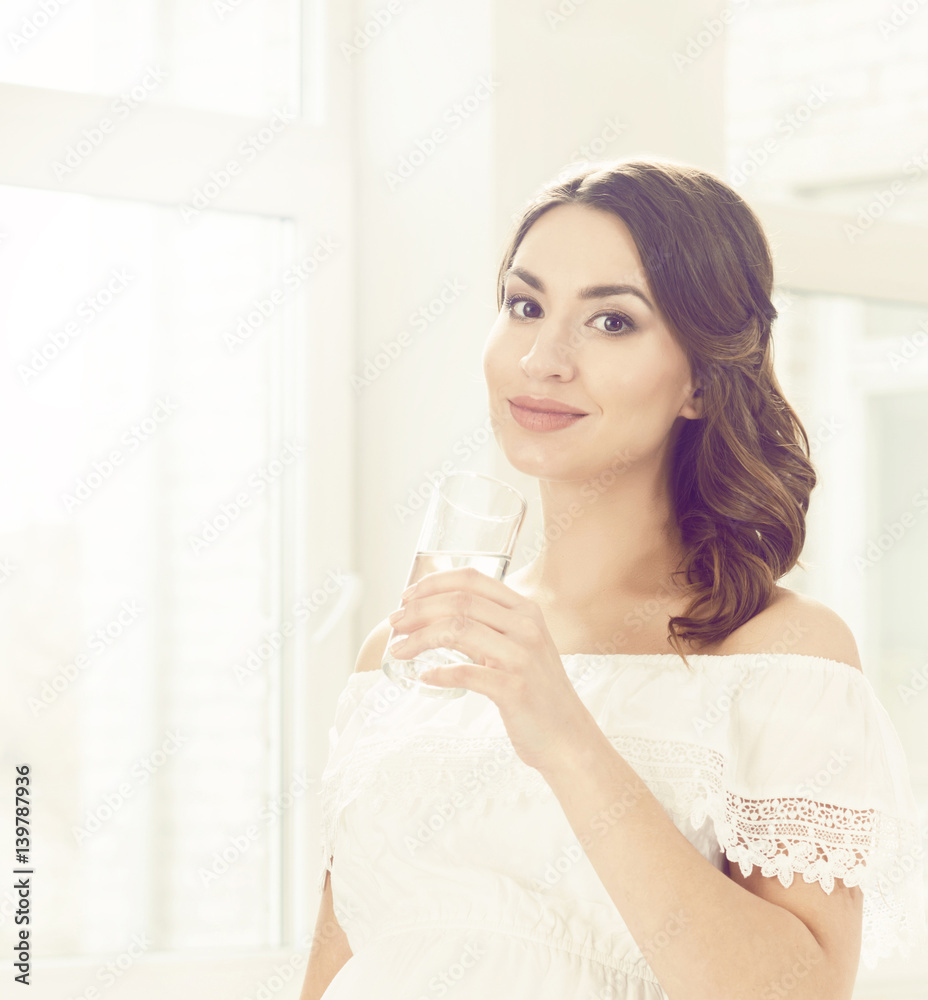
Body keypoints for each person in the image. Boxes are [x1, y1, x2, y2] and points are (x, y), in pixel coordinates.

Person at [299, 159, 926, 1000]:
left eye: (611, 322)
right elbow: (344, 961)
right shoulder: (410, 648)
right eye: (525, 307)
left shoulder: (778, 654)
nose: (542, 358)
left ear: (701, 379)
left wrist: (565, 735)